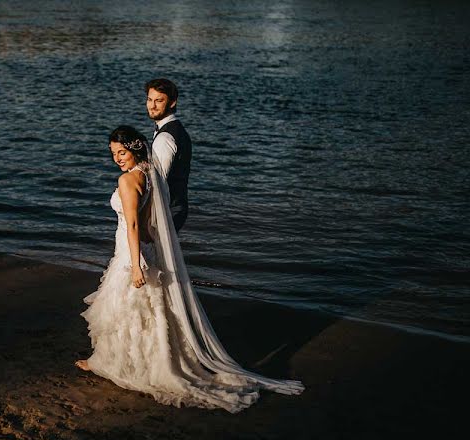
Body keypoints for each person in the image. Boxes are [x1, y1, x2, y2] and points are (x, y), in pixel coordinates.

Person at [75, 126, 303, 412]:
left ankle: (123, 364)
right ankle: (125, 360)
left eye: (122, 152)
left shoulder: (127, 180)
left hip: (131, 251)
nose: (118, 158)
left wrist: (135, 264)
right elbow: (148, 225)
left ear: (134, 150)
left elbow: (133, 224)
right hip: (144, 247)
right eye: (113, 154)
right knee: (146, 311)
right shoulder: (150, 175)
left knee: (128, 309)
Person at [146, 78, 191, 232]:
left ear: (172, 103)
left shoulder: (165, 138)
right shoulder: (177, 129)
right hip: (177, 206)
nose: (152, 106)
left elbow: (158, 182)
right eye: (149, 99)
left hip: (168, 209)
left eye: (158, 101)